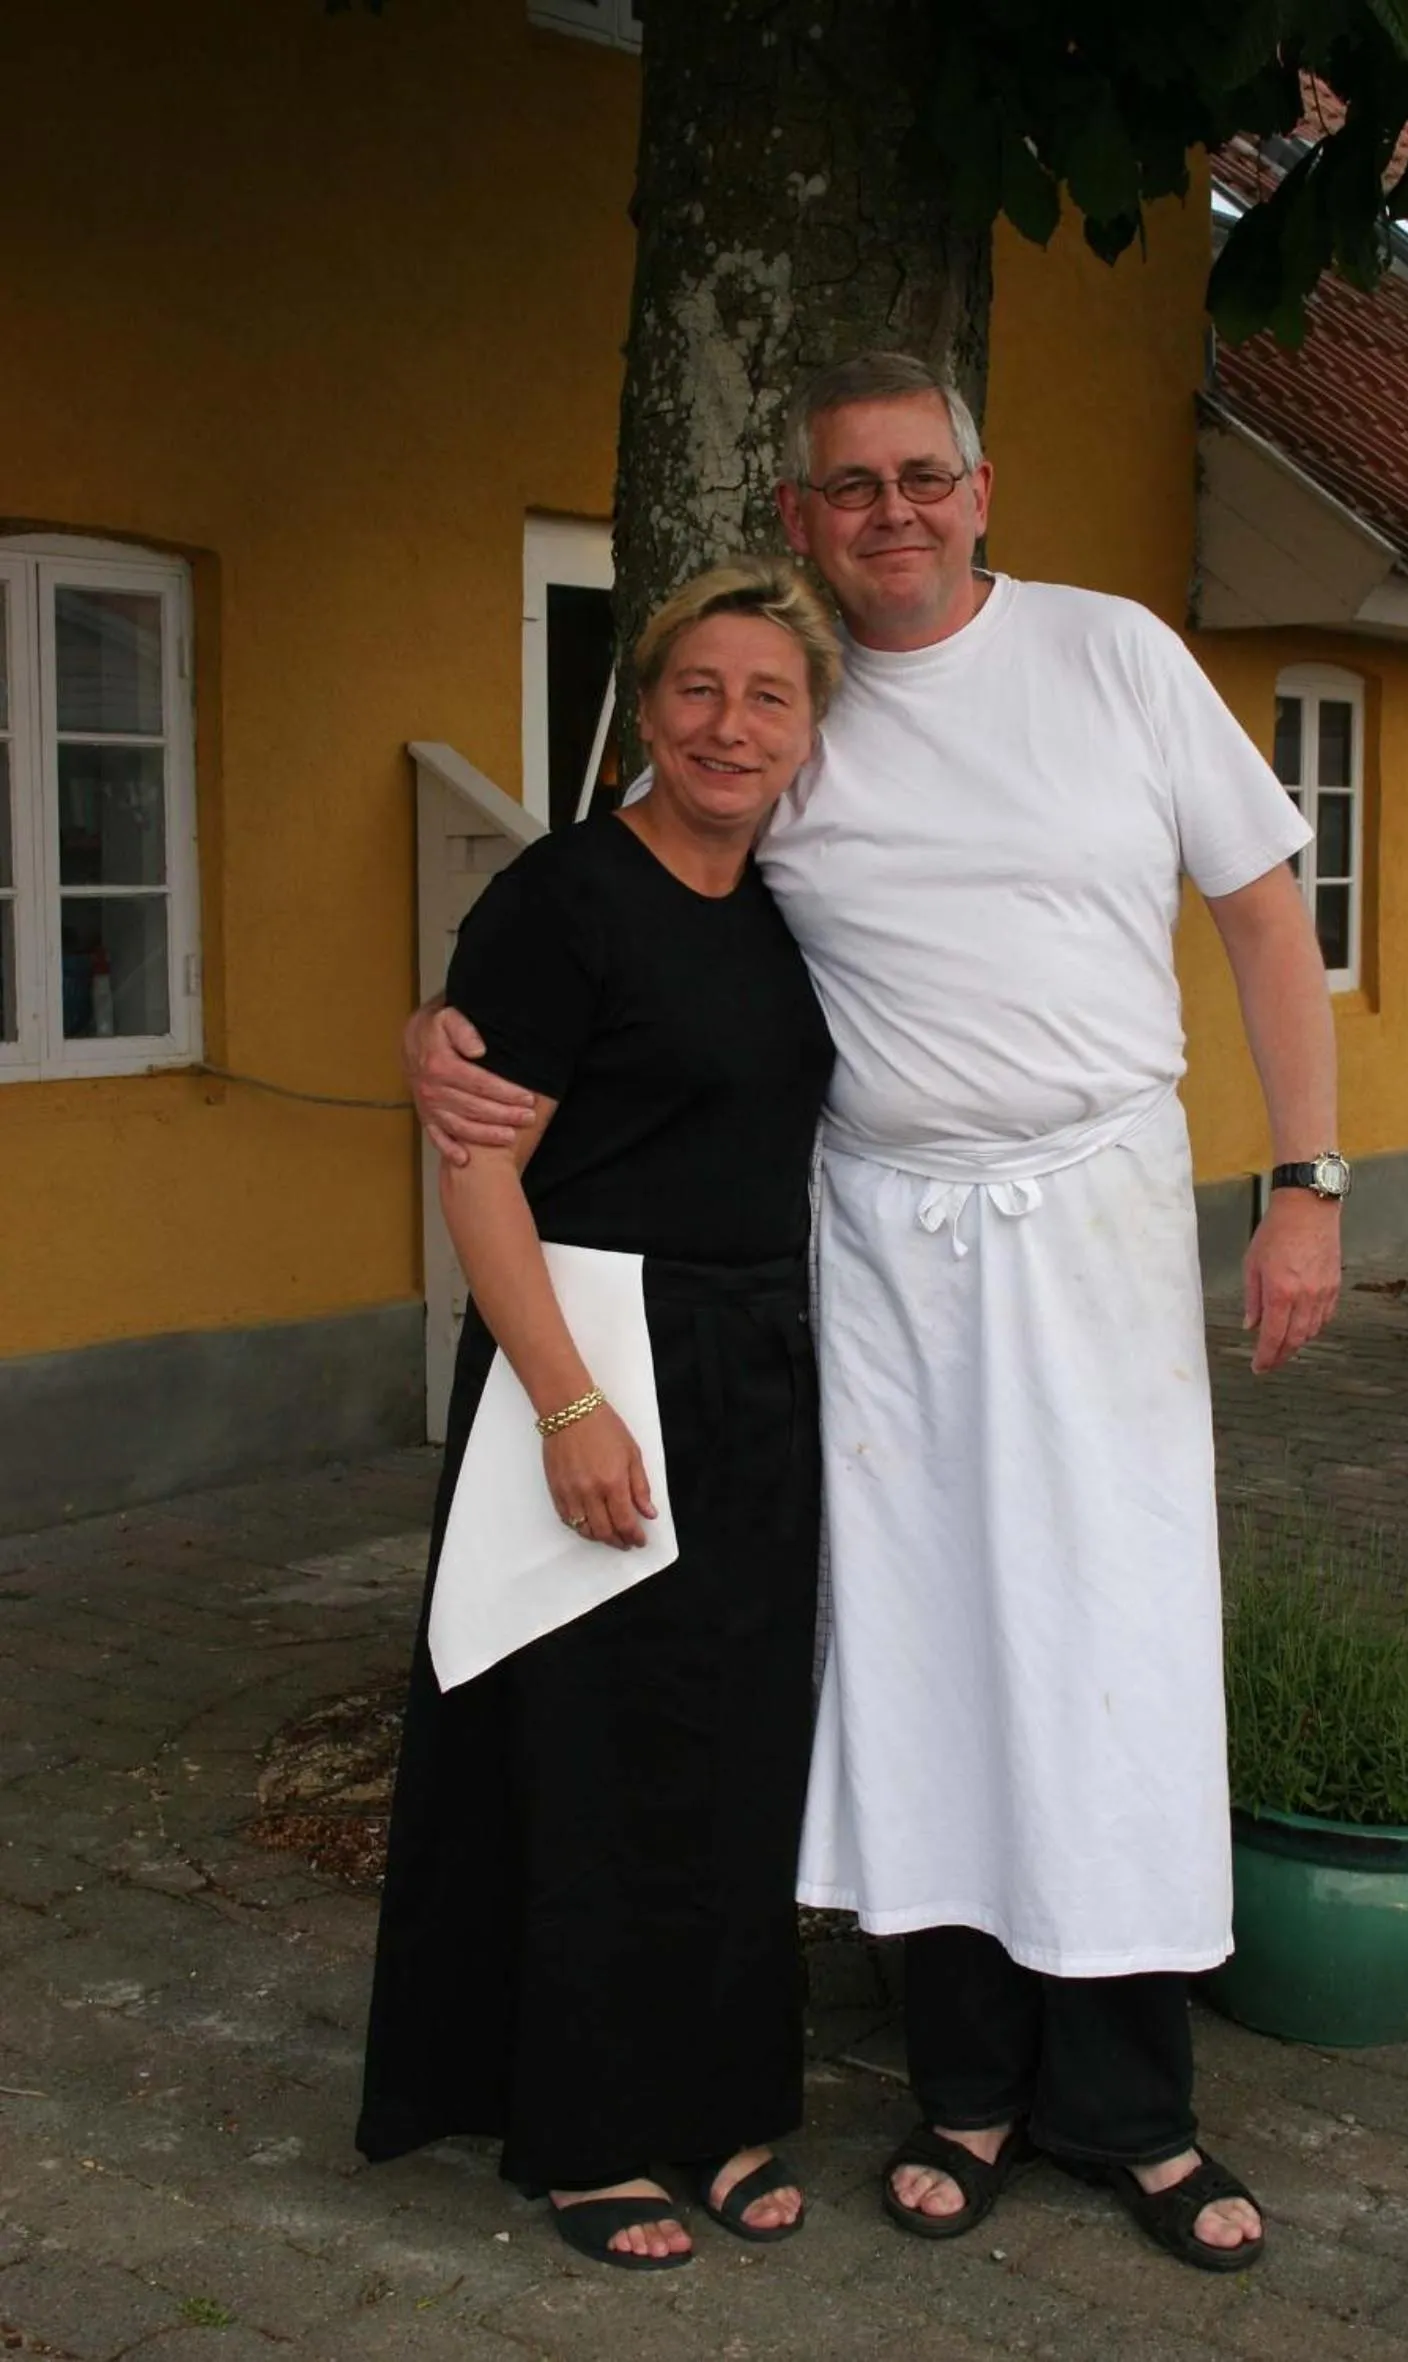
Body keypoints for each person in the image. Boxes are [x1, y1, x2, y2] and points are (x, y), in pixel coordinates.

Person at [406, 353, 1344, 2274]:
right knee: (918, 1646)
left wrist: (1306, 1187)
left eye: (921, 477)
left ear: (981, 490)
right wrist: (444, 1036)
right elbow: (633, 900)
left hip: (1092, 1210)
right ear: (798, 516)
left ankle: (1134, 2108)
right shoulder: (803, 715)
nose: (889, 513)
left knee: (1112, 1635)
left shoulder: (1114, 657)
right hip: (882, 1238)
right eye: (850, 487)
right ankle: (968, 2085)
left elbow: (1260, 917)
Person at [358, 558, 839, 2271]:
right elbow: (475, 1164)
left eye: (767, 695)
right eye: (698, 688)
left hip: (755, 1374)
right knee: (586, 1756)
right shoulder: (564, 897)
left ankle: (715, 2102)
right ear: (642, 709)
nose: (729, 723)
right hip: (591, 1356)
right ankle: (580, 2133)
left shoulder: (787, 905)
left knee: (730, 1760)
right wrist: (564, 1399)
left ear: (805, 730)